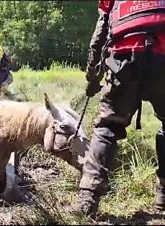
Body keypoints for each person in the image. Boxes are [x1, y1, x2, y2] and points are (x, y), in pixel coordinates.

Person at [70, 0, 165, 218]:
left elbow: (100, 34)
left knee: (107, 127)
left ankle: (88, 198)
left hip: (124, 59)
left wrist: (93, 78)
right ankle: (163, 195)